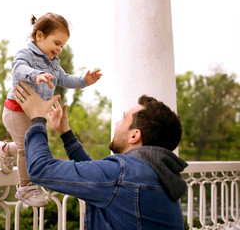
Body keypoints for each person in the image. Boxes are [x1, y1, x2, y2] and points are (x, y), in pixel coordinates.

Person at [13, 82, 188, 230]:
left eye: (123, 118)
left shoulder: (122, 173)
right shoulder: (156, 172)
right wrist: (65, 134)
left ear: (134, 136)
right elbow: (101, 180)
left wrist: (37, 119)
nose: (117, 124)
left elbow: (40, 169)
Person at [0, 12, 102, 207]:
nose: (59, 49)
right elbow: (18, 69)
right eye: (56, 43)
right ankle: (25, 187)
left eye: (62, 46)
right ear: (39, 36)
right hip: (16, 110)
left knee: (26, 146)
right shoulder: (26, 54)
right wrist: (36, 75)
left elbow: (64, 78)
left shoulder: (54, 63)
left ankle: (3, 149)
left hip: (34, 114)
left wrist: (85, 81)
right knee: (27, 148)